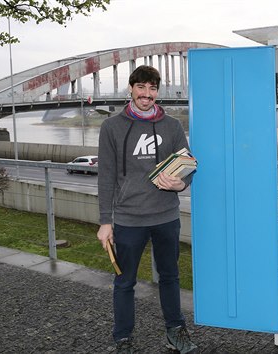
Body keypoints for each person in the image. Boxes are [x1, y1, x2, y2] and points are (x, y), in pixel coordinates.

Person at [96, 65, 197, 354]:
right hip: (129, 219)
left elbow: (188, 165)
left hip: (166, 216)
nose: (147, 94)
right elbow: (106, 177)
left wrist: (180, 185)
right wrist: (105, 221)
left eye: (153, 88)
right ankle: (123, 338)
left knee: (170, 277)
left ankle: (175, 332)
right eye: (141, 87)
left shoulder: (173, 126)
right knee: (125, 281)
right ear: (131, 88)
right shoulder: (112, 127)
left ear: (157, 92)